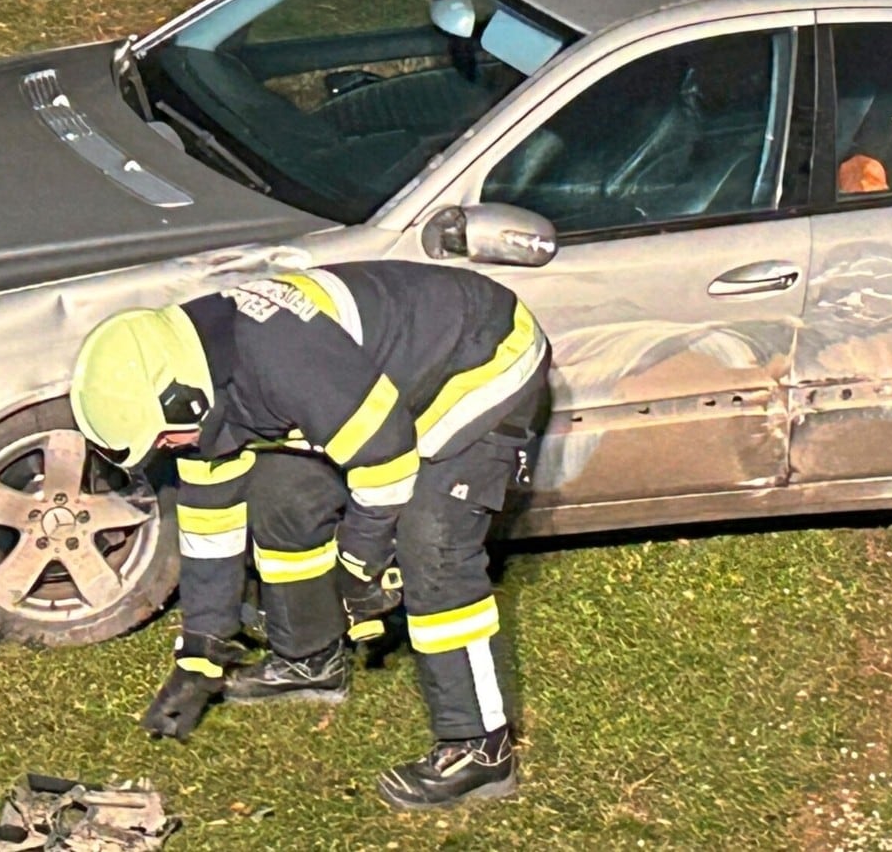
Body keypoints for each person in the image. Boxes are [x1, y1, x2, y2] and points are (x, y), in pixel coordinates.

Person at [68, 262, 549, 811]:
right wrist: (199, 655)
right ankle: (310, 660)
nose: (168, 451)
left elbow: (387, 463)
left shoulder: (283, 361)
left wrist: (358, 565)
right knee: (283, 501)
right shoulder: (195, 378)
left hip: (480, 357)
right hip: (374, 389)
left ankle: (480, 750)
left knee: (432, 545)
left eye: (163, 440)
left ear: (184, 401)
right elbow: (209, 528)